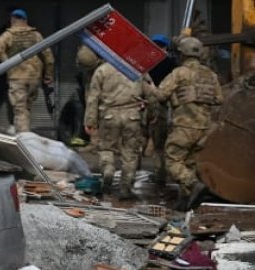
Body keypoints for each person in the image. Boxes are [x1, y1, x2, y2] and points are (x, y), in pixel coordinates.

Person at [147, 36, 223, 210]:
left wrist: (150, 86)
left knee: (172, 159)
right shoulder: (210, 75)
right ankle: (185, 202)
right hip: (205, 128)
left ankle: (194, 184)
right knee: (189, 163)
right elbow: (219, 98)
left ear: (182, 54)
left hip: (184, 126)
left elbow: (161, 95)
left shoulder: (180, 73)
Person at [84, 60, 152, 200]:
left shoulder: (102, 70)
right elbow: (151, 94)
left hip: (109, 116)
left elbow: (93, 97)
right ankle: (125, 188)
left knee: (107, 149)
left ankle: (108, 170)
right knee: (130, 154)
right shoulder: (138, 69)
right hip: (132, 116)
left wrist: (90, 121)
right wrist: (151, 114)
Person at [0, 9, 55, 133]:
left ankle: (23, 139)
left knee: (20, 109)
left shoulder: (7, 35)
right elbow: (49, 57)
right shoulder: (36, 35)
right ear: (25, 20)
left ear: (12, 20)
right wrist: (48, 75)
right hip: (34, 76)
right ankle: (26, 134)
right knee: (27, 108)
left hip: (17, 77)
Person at [147, 34, 174, 186]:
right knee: (157, 144)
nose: (158, 49)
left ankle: (160, 176)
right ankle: (159, 175)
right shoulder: (172, 64)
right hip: (158, 105)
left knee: (158, 144)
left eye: (160, 46)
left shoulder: (147, 63)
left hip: (156, 105)